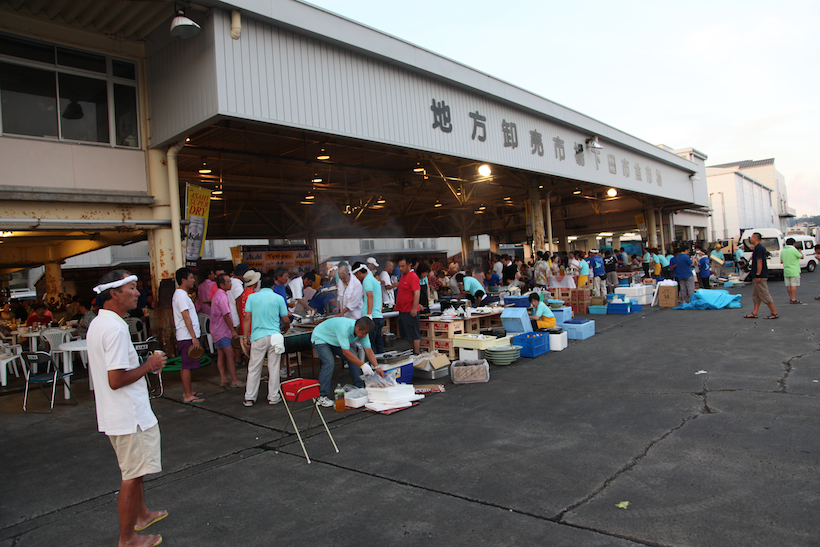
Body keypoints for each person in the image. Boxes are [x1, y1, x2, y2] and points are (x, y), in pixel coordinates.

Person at [86, 270, 168, 547]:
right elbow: (116, 380)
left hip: (118, 413)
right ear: (114, 293)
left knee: (135, 470)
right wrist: (149, 365)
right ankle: (128, 538)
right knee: (131, 477)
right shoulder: (115, 328)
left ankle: (142, 515)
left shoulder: (100, 323)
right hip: (129, 415)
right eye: (132, 288)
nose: (137, 293)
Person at [312, 316, 385, 407]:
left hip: (334, 339)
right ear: (357, 327)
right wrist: (362, 365)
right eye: (364, 333)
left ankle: (358, 386)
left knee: (354, 357)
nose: (364, 335)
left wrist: (377, 367)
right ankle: (321, 396)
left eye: (367, 333)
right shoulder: (344, 328)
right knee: (329, 362)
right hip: (321, 337)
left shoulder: (362, 331)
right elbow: (346, 352)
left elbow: (368, 350)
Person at [242, 275, 290, 407]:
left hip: (258, 336)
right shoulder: (278, 298)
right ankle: (273, 397)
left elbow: (247, 318)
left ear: (260, 285)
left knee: (254, 367)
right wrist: (286, 327)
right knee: (274, 367)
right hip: (275, 336)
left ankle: (249, 397)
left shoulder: (252, 298)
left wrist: (245, 337)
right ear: (273, 286)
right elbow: (285, 319)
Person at [172, 267, 204, 403]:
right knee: (186, 365)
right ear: (183, 280)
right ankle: (187, 395)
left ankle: (188, 391)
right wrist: (193, 337)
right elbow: (186, 317)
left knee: (188, 365)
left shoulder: (182, 295)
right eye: (191, 277)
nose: (193, 280)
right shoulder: (181, 295)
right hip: (186, 336)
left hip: (187, 335)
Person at [211, 273, 244, 388]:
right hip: (222, 330)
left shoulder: (218, 294)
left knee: (221, 354)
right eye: (228, 282)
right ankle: (234, 380)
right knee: (230, 354)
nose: (231, 284)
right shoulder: (222, 297)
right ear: (222, 284)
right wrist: (232, 330)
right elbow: (226, 315)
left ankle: (224, 378)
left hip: (216, 330)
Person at [353, 261, 385, 354]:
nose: (356, 277)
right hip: (378, 316)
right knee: (379, 343)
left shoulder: (367, 280)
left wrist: (369, 315)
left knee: (371, 345)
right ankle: (381, 361)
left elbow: (370, 296)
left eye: (355, 275)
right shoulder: (373, 279)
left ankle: (373, 362)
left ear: (359, 272)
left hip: (372, 317)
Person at [745, 232, 778, 319]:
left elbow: (759, 261)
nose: (750, 239)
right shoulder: (758, 247)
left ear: (756, 238)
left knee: (764, 293)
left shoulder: (759, 248)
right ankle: (754, 312)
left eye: (752, 237)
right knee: (756, 295)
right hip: (757, 275)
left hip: (760, 275)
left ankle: (774, 313)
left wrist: (758, 275)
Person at [395, 257, 421, 354]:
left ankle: (417, 353)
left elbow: (417, 293)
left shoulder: (413, 276)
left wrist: (414, 308)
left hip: (410, 309)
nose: (400, 268)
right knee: (406, 334)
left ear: (409, 265)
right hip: (403, 309)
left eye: (403, 266)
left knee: (414, 333)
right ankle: (414, 350)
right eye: (399, 266)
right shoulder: (403, 276)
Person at [780, 237, 803, 305]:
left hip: (786, 270)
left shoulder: (783, 251)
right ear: (794, 243)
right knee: (794, 285)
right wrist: (800, 251)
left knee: (789, 285)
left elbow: (782, 260)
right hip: (794, 270)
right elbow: (801, 256)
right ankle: (793, 299)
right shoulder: (794, 250)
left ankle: (791, 298)